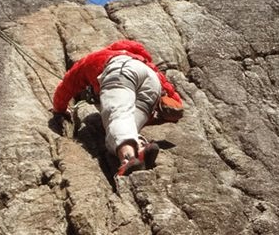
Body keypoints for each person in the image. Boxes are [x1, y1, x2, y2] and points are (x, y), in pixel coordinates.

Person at [49, 39, 183, 176]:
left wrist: (59, 108)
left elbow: (68, 84)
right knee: (129, 122)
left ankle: (128, 158)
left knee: (117, 116)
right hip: (153, 81)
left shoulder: (99, 56)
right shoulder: (145, 62)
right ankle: (141, 149)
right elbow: (174, 101)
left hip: (121, 70)